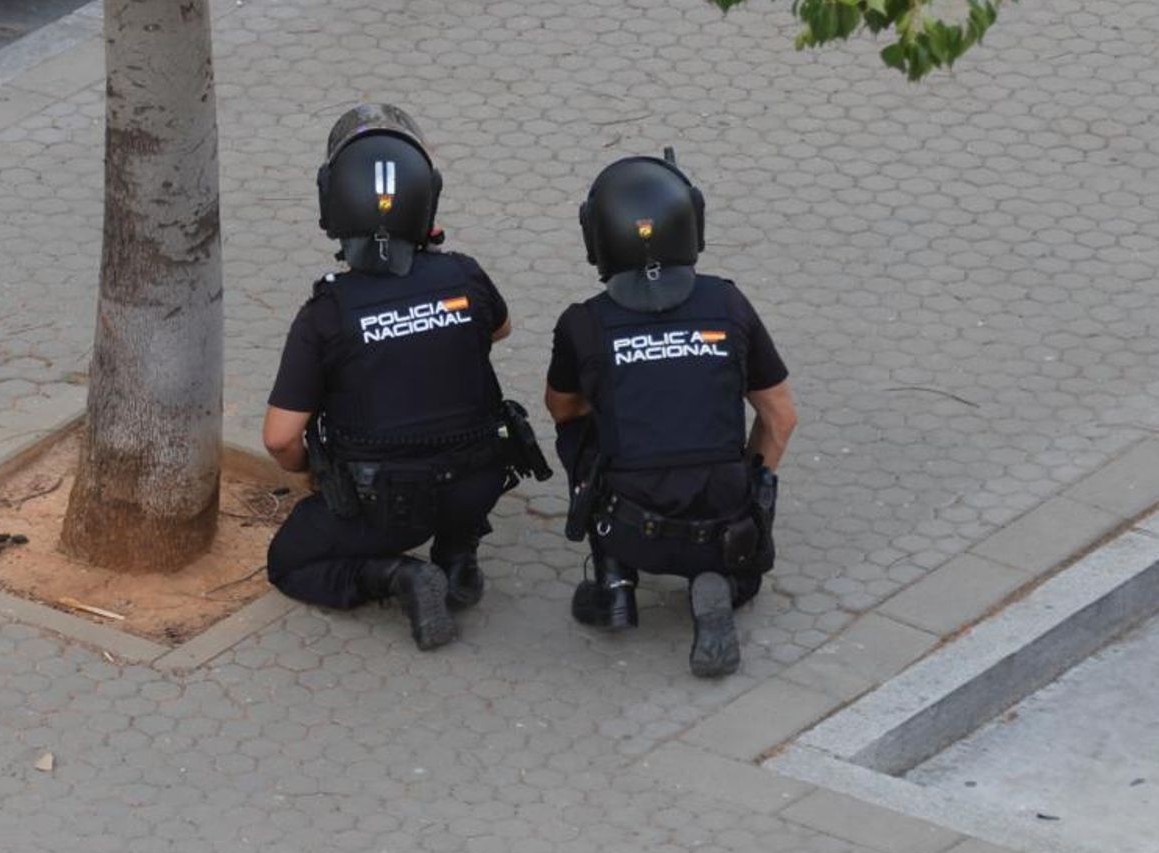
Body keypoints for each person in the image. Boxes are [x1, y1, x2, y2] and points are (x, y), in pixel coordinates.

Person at [263, 104, 546, 651]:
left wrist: (312, 475)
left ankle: (400, 577)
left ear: (332, 203)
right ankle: (459, 555)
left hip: (382, 507)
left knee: (290, 562)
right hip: (477, 484)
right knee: (461, 470)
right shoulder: (464, 272)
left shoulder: (326, 314)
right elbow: (500, 330)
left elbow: (279, 438)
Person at [545, 150, 799, 677]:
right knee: (735, 560)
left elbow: (561, 407)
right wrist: (755, 487)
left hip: (630, 523)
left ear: (598, 239)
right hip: (726, 522)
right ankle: (719, 584)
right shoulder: (728, 304)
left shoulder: (583, 324)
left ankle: (613, 583)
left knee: (579, 430)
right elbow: (781, 417)